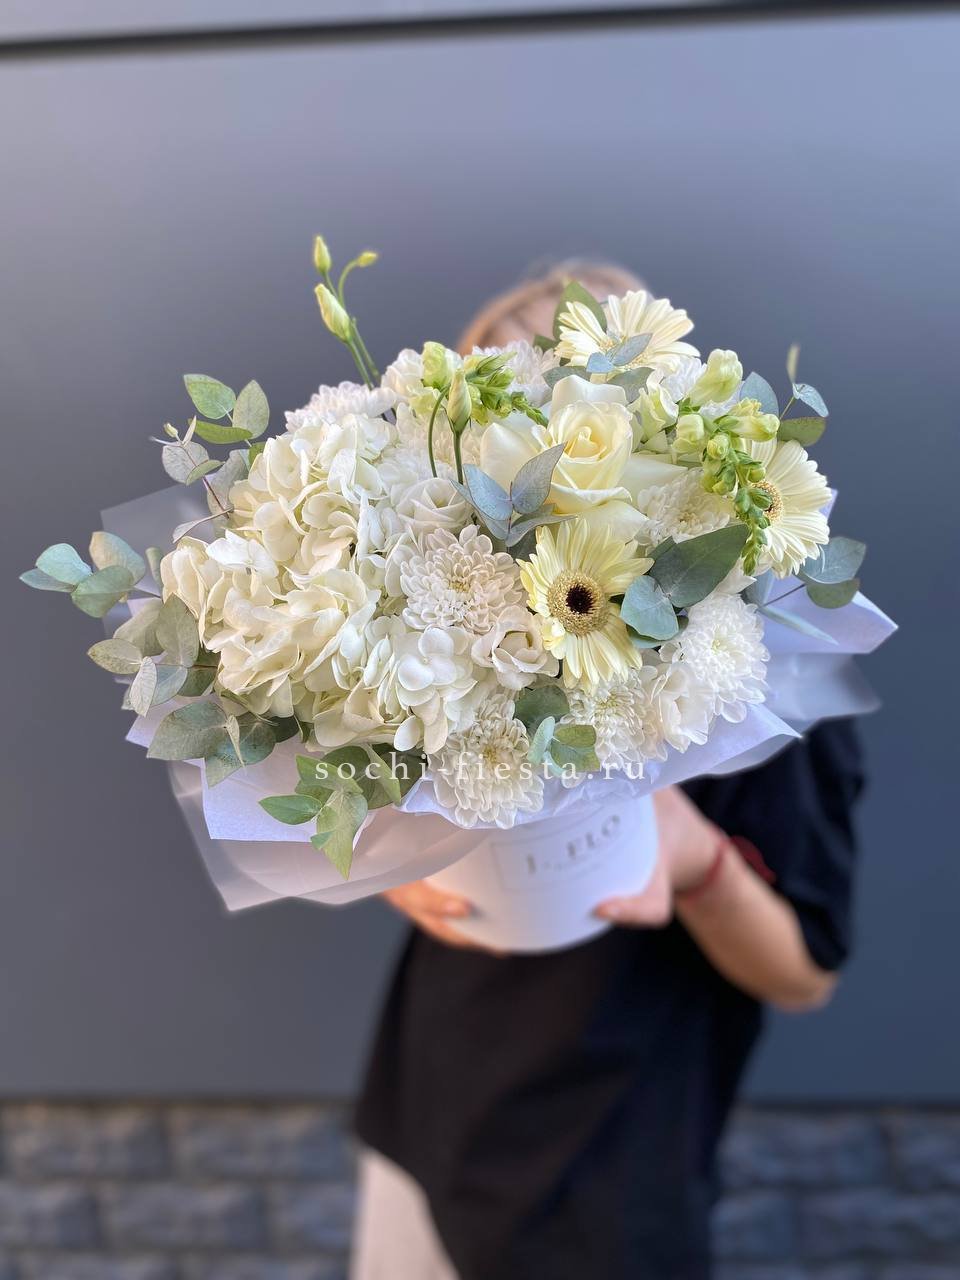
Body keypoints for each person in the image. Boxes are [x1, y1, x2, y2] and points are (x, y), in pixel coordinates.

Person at [350, 263, 864, 1280]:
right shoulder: (433, 634)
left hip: (606, 1173)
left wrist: (695, 859)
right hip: (424, 1117)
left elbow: (805, 973)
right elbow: (373, 804)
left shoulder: (756, 677)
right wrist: (387, 858)